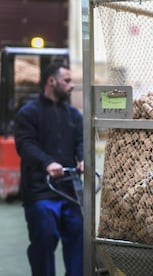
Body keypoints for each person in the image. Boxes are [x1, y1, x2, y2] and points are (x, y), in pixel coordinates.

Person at [14, 63, 84, 276]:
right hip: (40, 191)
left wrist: (82, 159)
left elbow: (80, 142)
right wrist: (47, 163)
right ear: (51, 81)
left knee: (78, 238)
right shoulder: (28, 113)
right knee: (44, 239)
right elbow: (25, 144)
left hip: (70, 191)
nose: (71, 86)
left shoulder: (73, 115)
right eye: (67, 80)